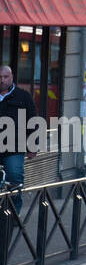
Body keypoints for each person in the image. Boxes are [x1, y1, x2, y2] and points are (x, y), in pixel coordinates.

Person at [0, 65, 37, 214]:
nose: (2, 80)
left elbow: (33, 121)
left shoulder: (23, 96)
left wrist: (32, 146)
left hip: (14, 147)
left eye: (5, 77)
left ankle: (14, 214)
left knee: (15, 178)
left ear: (12, 77)